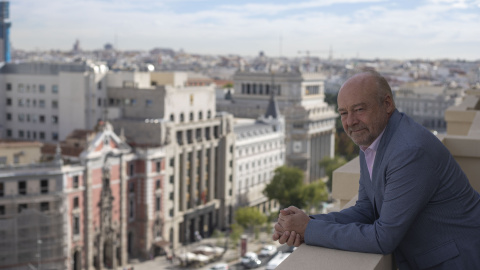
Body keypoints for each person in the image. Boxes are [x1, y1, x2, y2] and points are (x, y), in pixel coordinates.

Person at [273, 71, 480, 269]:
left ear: (387, 104)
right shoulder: (373, 140)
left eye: (359, 109)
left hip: (461, 259)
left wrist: (309, 230)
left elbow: (383, 239)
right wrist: (305, 223)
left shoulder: (409, 151)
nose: (350, 121)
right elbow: (366, 209)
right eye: (344, 113)